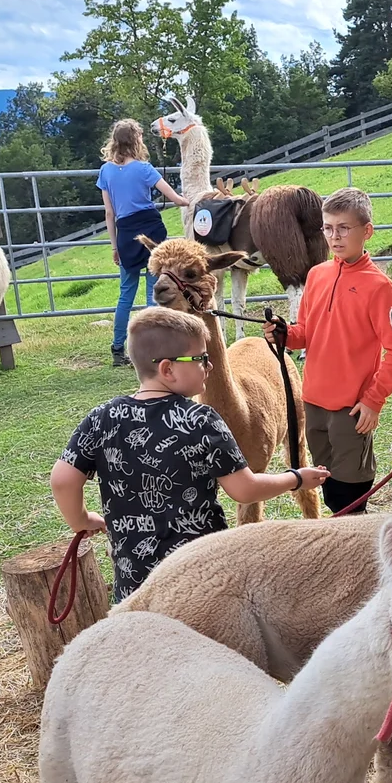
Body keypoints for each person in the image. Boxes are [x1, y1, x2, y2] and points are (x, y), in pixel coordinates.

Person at [50, 307, 328, 601]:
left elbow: (63, 480)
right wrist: (296, 478)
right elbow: (245, 490)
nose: (209, 367)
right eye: (201, 359)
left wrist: (81, 520)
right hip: (202, 576)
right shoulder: (201, 420)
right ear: (168, 369)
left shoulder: (101, 418)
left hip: (136, 583)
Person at [286, 187, 392, 516]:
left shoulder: (378, 287)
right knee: (329, 491)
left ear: (366, 231)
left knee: (350, 495)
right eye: (328, 228)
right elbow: (305, 333)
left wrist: (373, 399)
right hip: (313, 402)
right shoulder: (317, 275)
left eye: (343, 228)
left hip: (350, 409)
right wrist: (285, 334)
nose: (334, 237)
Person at [98, 119, 192, 369]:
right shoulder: (144, 169)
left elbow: (109, 213)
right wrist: (190, 201)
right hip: (151, 231)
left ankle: (118, 349)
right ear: (136, 140)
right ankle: (154, 350)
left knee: (125, 295)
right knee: (154, 293)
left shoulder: (105, 171)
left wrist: (114, 246)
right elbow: (173, 197)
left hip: (125, 232)